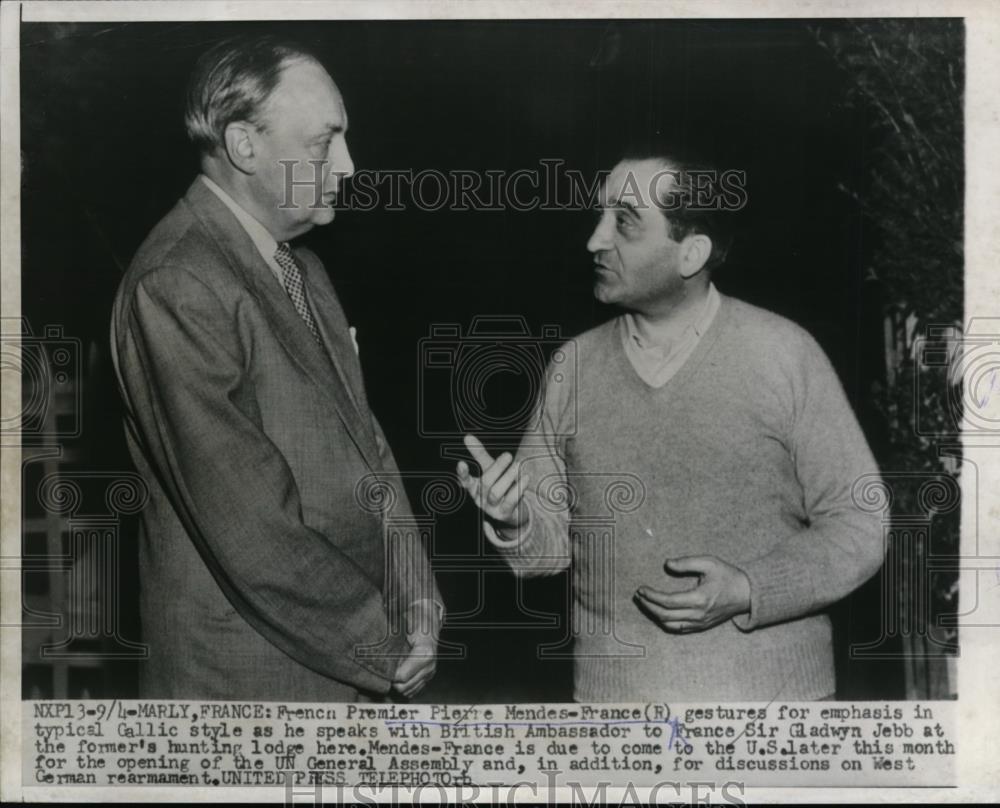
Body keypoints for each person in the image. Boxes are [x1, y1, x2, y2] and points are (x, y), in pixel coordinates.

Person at [457, 153, 884, 702]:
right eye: (600, 215)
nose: (594, 240)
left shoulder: (783, 355)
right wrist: (515, 520)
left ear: (692, 252)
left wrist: (750, 589)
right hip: (614, 715)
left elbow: (860, 525)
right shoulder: (572, 367)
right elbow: (549, 551)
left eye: (625, 220)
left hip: (774, 711)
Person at [110, 35, 441, 701]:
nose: (347, 166)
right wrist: (384, 644)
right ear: (244, 145)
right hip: (245, 684)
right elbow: (249, 524)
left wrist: (420, 603)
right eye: (324, 144)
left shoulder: (302, 267)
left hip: (339, 664)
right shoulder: (177, 282)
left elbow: (367, 449)